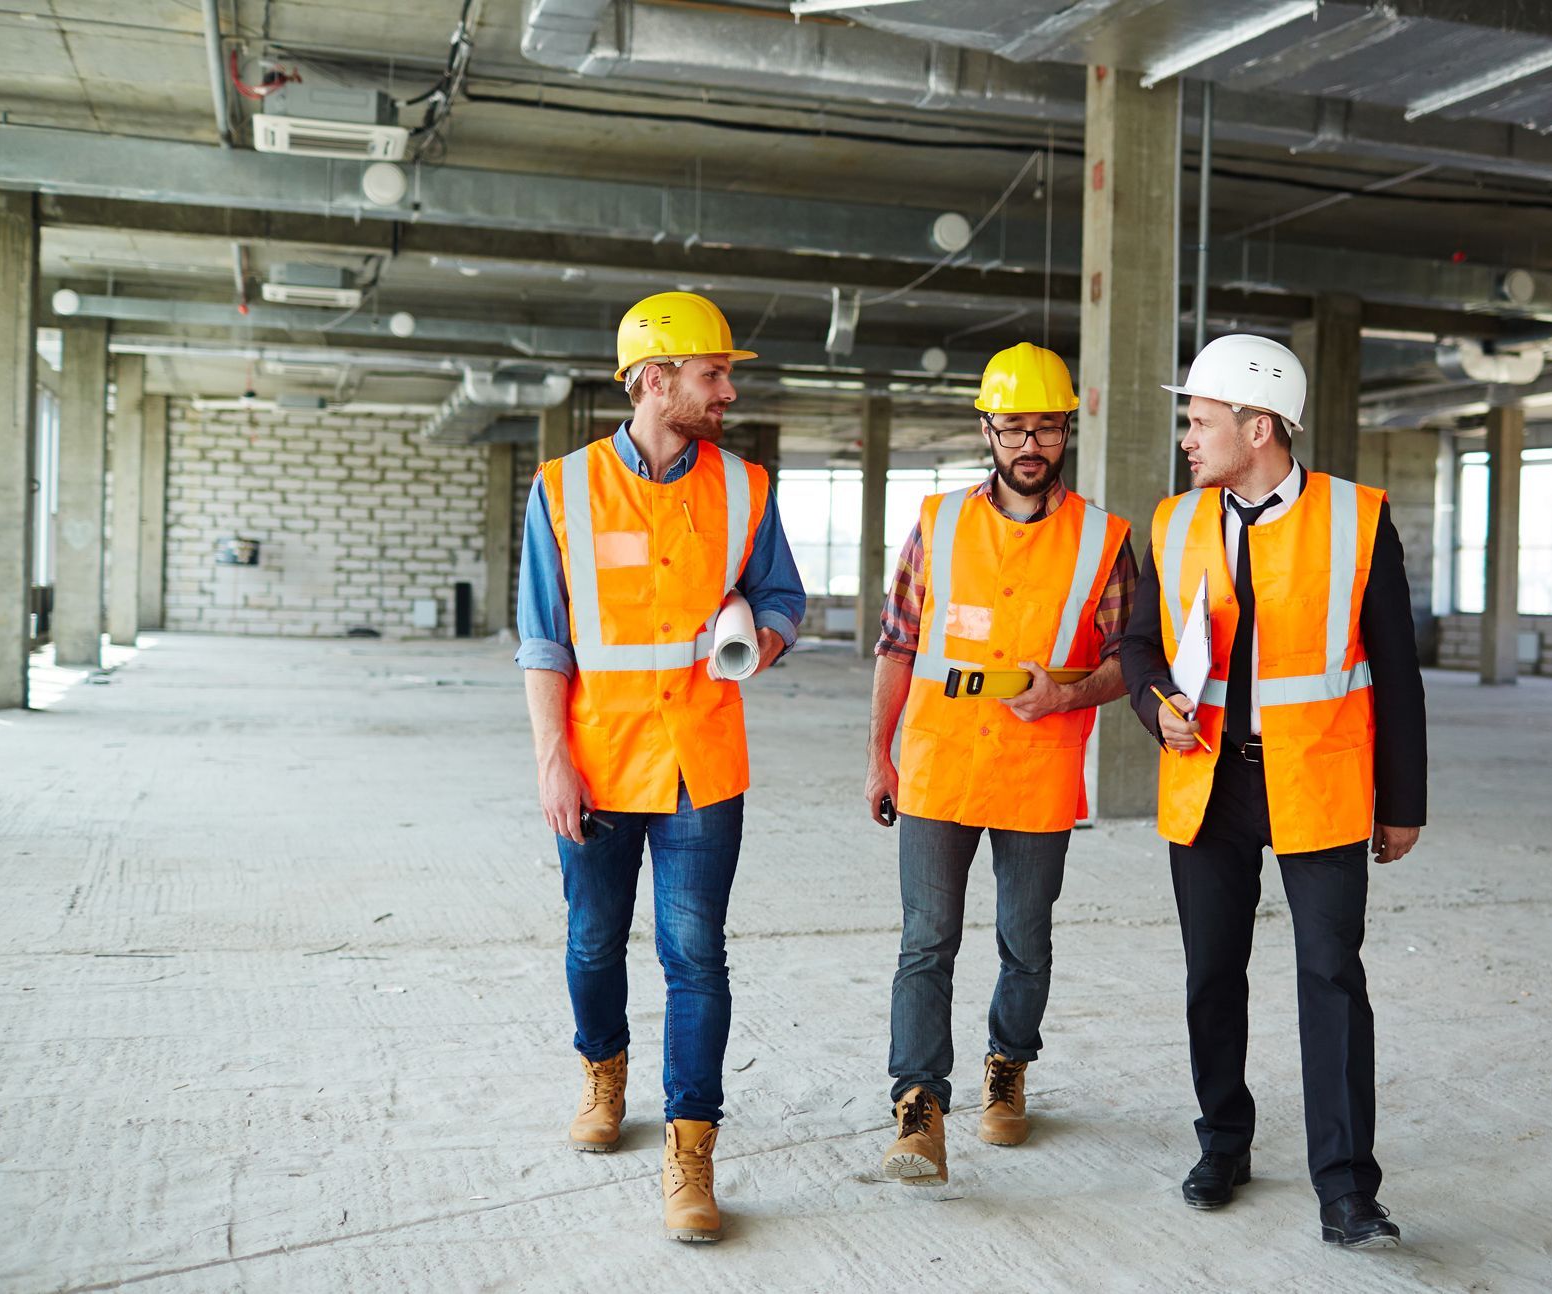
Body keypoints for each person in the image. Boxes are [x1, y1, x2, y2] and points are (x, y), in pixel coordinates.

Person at [1117, 333, 1426, 1249]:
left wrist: (1402, 802)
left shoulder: (1359, 519)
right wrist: (1156, 702)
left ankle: (1346, 1190)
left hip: (1320, 783)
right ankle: (1224, 1141)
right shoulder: (1174, 523)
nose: (1187, 436)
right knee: (1213, 976)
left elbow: (1399, 673)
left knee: (1331, 980)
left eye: (1200, 420)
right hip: (1207, 787)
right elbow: (1140, 647)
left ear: (1259, 428)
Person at [515, 291, 806, 1243]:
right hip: (598, 765)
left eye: (726, 375)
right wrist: (553, 761)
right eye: (713, 374)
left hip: (701, 767)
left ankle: (693, 1151)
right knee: (594, 945)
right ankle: (604, 1073)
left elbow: (783, 596)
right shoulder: (562, 489)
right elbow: (543, 641)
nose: (727, 391)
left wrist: (758, 640)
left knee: (695, 959)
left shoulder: (747, 486)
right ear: (655, 379)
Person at [865, 343, 1137, 1185]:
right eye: (1013, 425)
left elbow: (1135, 659)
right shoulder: (939, 524)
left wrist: (1067, 696)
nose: (1030, 444)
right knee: (927, 940)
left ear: (1066, 432)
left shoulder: (1103, 539)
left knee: (1025, 941)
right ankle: (919, 1104)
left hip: (1038, 764)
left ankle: (1008, 1068)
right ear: (986, 428)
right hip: (940, 762)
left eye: (1047, 427)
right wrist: (879, 753)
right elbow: (898, 644)